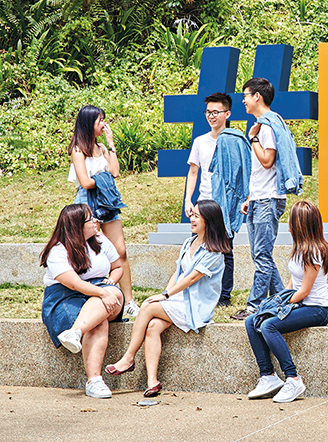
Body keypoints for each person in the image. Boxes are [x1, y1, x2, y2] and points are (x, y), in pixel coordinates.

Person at [105, 200, 232, 397]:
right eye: (192, 214)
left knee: (147, 306)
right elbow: (178, 273)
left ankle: (128, 358)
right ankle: (152, 381)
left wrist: (165, 295)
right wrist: (166, 295)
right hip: (178, 301)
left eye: (197, 216)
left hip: (194, 306)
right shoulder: (189, 243)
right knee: (153, 326)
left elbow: (192, 278)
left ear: (209, 220)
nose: (192, 219)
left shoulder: (214, 251)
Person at [231, 77, 304, 321]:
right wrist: (250, 197)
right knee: (261, 255)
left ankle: (254, 306)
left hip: (268, 199)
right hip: (259, 198)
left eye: (245, 95)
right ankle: (284, 299)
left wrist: (253, 139)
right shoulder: (263, 125)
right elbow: (261, 171)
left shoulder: (267, 126)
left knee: (262, 256)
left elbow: (267, 161)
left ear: (257, 96)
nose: (243, 100)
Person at [244, 200, 328, 403]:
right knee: (251, 321)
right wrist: (279, 299)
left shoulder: (314, 252)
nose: (288, 223)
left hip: (317, 309)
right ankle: (268, 376)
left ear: (299, 224)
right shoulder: (300, 248)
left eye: (291, 219)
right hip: (299, 303)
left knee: (269, 325)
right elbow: (294, 282)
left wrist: (281, 304)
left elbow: (305, 290)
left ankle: (293, 379)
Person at [40, 204, 126, 399]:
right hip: (65, 295)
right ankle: (94, 381)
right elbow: (74, 284)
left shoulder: (100, 240)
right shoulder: (58, 250)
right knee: (99, 321)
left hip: (100, 289)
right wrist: (103, 293)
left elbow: (118, 267)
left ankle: (75, 332)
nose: (96, 221)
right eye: (90, 219)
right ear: (77, 226)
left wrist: (110, 282)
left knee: (113, 294)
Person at [68, 105, 138, 317]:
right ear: (89, 123)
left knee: (120, 250)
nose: (103, 124)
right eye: (100, 120)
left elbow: (115, 172)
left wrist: (111, 144)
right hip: (88, 201)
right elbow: (85, 182)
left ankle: (129, 300)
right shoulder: (78, 150)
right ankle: (89, 296)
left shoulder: (101, 148)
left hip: (107, 200)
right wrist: (103, 177)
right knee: (90, 249)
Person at [183, 93, 250, 308]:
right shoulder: (200, 141)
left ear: (227, 114)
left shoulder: (235, 140)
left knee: (225, 250)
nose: (211, 116)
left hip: (226, 205)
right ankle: (195, 290)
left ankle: (224, 297)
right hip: (204, 203)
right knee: (197, 247)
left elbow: (245, 172)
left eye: (216, 112)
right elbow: (193, 172)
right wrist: (188, 200)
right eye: (208, 112)